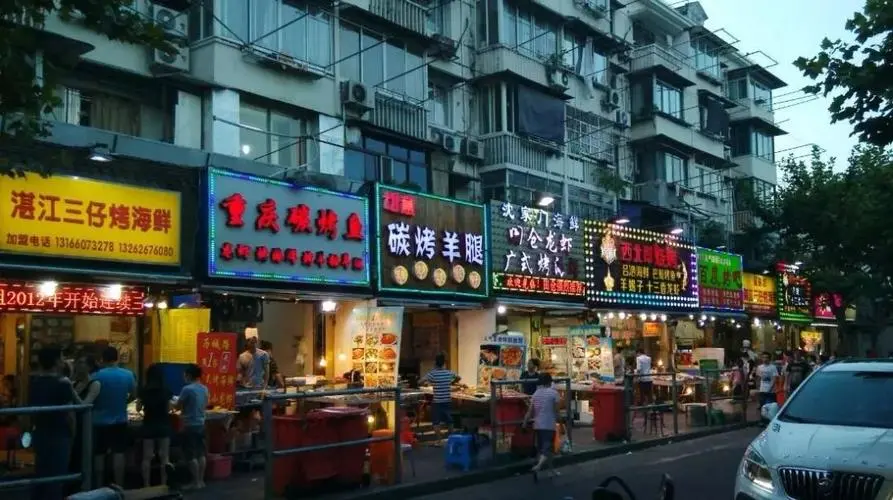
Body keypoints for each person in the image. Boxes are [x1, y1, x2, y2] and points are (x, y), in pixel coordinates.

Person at [29, 346, 80, 500]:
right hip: (60, 434)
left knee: (42, 473)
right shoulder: (63, 383)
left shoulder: (35, 382)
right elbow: (69, 413)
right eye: (62, 357)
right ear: (57, 361)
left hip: (40, 432)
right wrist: (73, 433)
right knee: (57, 476)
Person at [91, 345, 136, 487]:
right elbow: (133, 395)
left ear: (103, 359)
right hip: (120, 419)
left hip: (99, 421)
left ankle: (98, 485)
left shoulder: (96, 376)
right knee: (119, 453)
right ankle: (119, 484)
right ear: (117, 358)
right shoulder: (128, 375)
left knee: (99, 453)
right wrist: (124, 402)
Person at [68, 356, 100, 495]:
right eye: (77, 362)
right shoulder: (74, 383)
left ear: (89, 367)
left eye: (82, 363)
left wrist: (71, 389)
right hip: (72, 424)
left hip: (86, 426)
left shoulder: (95, 384)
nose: (79, 365)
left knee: (83, 456)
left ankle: (84, 487)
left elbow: (84, 405)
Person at [138, 363, 173, 487]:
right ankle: (164, 484)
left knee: (147, 457)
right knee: (165, 457)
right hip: (163, 424)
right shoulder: (166, 390)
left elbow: (138, 408)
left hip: (148, 424)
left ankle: (146, 484)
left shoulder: (143, 390)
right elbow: (169, 408)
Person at [176, 363, 209, 490]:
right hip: (201, 423)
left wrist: (172, 404)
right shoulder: (204, 388)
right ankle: (201, 481)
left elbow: (178, 405)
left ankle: (195, 482)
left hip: (189, 424)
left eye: (184, 374)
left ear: (189, 375)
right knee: (201, 453)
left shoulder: (187, 389)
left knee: (190, 455)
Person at [523, 373, 560, 480]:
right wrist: (561, 420)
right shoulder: (554, 394)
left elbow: (530, 411)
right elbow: (556, 411)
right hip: (548, 424)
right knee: (547, 448)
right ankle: (538, 466)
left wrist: (524, 423)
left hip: (537, 424)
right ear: (550, 382)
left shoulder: (536, 394)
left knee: (544, 449)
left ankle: (551, 470)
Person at [420, 353, 459, 445]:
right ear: (444, 363)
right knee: (449, 420)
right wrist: (451, 382)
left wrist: (428, 383)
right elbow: (458, 377)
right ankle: (451, 440)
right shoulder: (449, 372)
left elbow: (420, 381)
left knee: (436, 422)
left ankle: (439, 440)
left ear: (435, 363)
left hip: (437, 401)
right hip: (447, 400)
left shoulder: (433, 373)